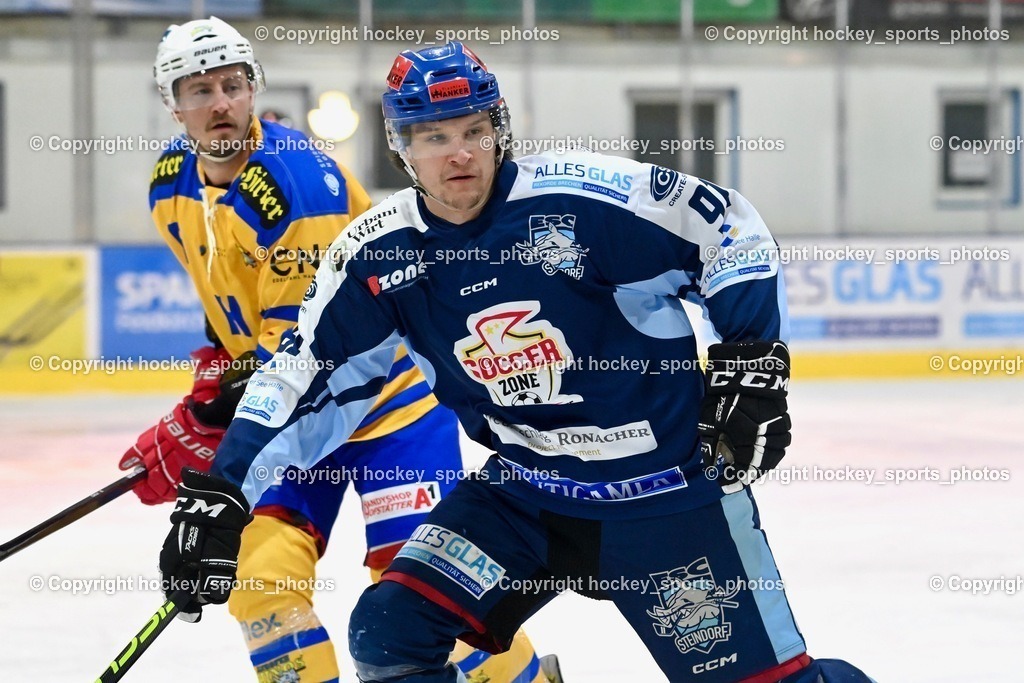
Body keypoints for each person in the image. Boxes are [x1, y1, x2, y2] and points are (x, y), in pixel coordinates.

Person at [157, 41, 876, 683]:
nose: (458, 153)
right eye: (433, 136)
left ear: (499, 129)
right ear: (403, 147)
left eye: (472, 130)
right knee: (391, 634)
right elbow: (296, 373)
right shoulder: (378, 254)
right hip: (524, 500)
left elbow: (728, 227)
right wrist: (222, 491)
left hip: (666, 500)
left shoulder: (581, 199)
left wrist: (750, 361)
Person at [123, 22, 558, 683]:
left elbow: (308, 358)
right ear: (171, 102)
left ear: (253, 89)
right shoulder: (170, 184)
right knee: (258, 579)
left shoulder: (296, 185)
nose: (220, 103)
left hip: (390, 409)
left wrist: (209, 426)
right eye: (200, 89)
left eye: (233, 85)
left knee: (422, 596)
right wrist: (213, 377)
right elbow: (229, 306)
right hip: (297, 430)